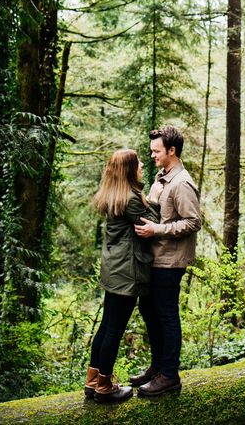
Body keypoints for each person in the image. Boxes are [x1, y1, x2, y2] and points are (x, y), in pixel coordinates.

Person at [84, 148, 160, 404]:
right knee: (114, 330)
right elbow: (154, 221)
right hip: (126, 273)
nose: (141, 164)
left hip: (113, 269)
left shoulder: (115, 194)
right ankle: (105, 387)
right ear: (129, 169)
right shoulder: (131, 199)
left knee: (106, 326)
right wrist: (156, 197)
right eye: (137, 162)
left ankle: (93, 380)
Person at [132, 125, 201, 396]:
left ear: (172, 150)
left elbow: (193, 222)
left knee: (167, 316)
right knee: (148, 311)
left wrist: (156, 230)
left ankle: (170, 376)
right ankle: (157, 368)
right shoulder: (162, 177)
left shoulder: (182, 182)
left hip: (170, 262)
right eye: (151, 151)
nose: (152, 156)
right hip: (155, 258)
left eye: (156, 151)